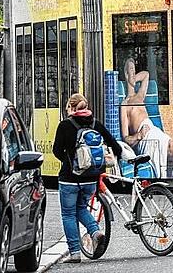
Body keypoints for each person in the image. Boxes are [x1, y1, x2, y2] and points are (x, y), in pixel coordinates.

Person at [52, 93, 123, 263]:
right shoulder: (95, 124)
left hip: (69, 178)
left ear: (71, 107)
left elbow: (56, 150)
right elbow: (115, 146)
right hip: (91, 179)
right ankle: (95, 232)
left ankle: (75, 253)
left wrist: (69, 162)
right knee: (81, 208)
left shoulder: (65, 125)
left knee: (68, 214)